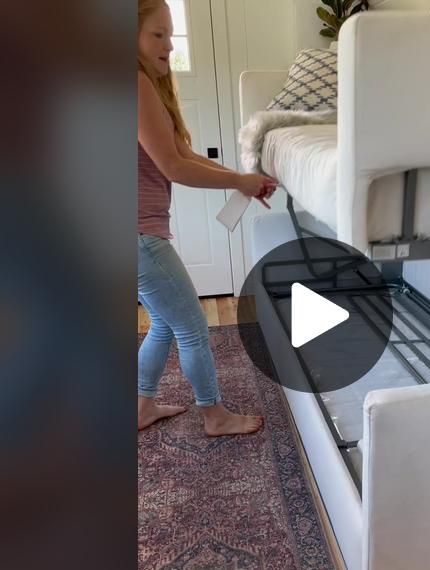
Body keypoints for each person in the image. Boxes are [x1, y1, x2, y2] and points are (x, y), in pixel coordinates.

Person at [137, 0, 277, 435]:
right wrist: (240, 181)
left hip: (138, 232)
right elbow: (174, 168)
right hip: (139, 235)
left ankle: (139, 408)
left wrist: (240, 180)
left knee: (164, 321)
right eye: (157, 35)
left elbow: (183, 154)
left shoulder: (147, 86)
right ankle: (214, 415)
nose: (168, 45)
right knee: (193, 326)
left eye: (170, 35)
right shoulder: (134, 82)